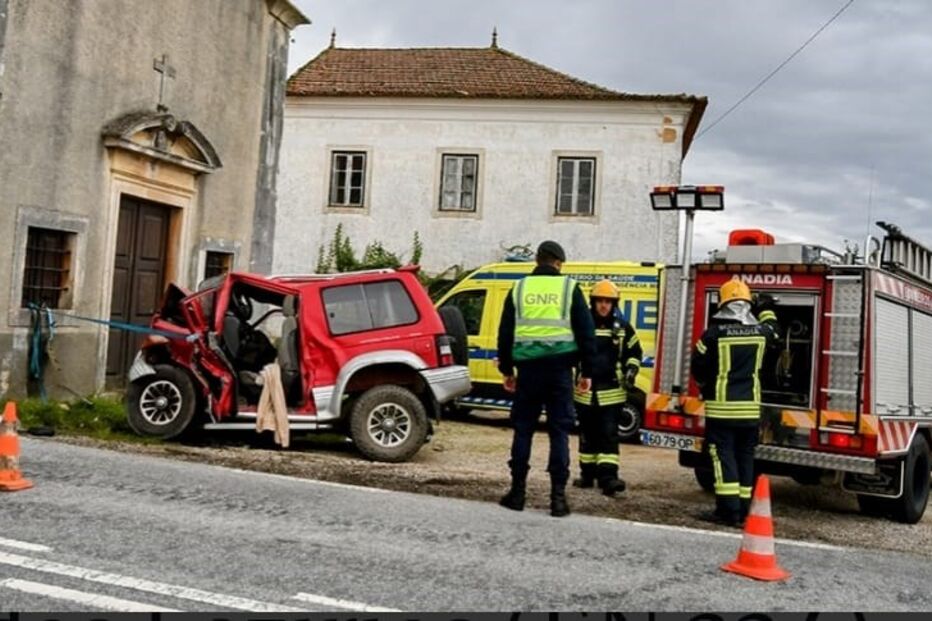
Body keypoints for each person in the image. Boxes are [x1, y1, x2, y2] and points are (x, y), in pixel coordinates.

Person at [497, 240, 595, 517]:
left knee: (523, 429)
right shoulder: (569, 288)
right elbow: (586, 333)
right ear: (558, 263)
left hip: (528, 371)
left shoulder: (519, 288)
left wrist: (507, 370)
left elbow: (505, 333)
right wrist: (586, 372)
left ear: (537, 260)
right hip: (559, 372)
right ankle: (558, 500)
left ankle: (517, 494)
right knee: (559, 432)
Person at [690, 276, 779, 527]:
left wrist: (706, 386)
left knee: (723, 457)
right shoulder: (761, 333)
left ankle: (727, 512)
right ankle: (742, 510)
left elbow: (698, 365)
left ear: (723, 303)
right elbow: (775, 331)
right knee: (745, 458)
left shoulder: (713, 334)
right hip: (750, 411)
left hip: (722, 410)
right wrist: (768, 308)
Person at [572, 279, 642, 496]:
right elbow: (572, 354)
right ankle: (587, 474)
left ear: (614, 304)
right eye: (600, 301)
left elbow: (635, 353)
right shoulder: (582, 327)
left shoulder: (622, 329)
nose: (603, 305)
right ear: (592, 302)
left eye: (608, 302)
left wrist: (631, 371)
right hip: (585, 393)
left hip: (612, 393)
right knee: (587, 435)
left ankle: (609, 478)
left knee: (609, 435)